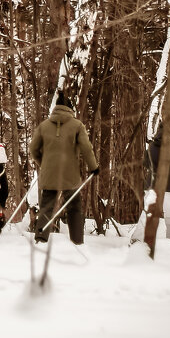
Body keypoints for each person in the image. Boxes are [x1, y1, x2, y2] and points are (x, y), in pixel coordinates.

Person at [28, 91, 98, 244]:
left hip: (48, 173)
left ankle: (40, 237)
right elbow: (86, 148)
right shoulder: (77, 125)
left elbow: (33, 149)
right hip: (70, 174)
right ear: (70, 108)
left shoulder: (44, 126)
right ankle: (77, 241)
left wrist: (43, 163)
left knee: (46, 206)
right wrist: (94, 167)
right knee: (74, 206)